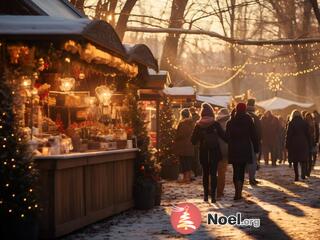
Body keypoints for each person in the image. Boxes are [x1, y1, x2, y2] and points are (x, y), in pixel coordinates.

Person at [191, 103, 226, 203]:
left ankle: (206, 195)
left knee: (205, 174)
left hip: (204, 153)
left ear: (202, 114)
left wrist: (201, 139)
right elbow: (224, 137)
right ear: (212, 113)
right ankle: (214, 196)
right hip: (214, 152)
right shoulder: (215, 124)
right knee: (214, 174)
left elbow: (193, 141)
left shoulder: (198, 125)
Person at [226, 103, 259, 200]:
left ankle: (237, 191)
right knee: (241, 171)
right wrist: (256, 148)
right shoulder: (248, 120)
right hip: (245, 148)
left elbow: (227, 137)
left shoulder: (231, 121)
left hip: (234, 149)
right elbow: (254, 135)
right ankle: (239, 191)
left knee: (236, 170)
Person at [285, 110, 311, 181]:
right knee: (303, 160)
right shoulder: (304, 123)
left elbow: (288, 135)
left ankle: (296, 176)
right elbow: (308, 134)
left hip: (294, 144)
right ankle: (303, 174)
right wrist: (309, 143)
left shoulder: (291, 123)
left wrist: (287, 144)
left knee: (295, 161)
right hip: (303, 142)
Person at [174, 108, 195, 183]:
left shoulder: (182, 123)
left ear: (182, 115)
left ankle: (186, 178)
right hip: (190, 145)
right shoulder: (192, 123)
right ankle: (188, 178)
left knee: (183, 162)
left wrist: (175, 137)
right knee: (188, 162)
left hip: (182, 146)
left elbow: (180, 135)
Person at [246, 99, 262, 185]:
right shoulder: (255, 118)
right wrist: (259, 140)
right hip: (252, 141)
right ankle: (251, 178)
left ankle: (240, 182)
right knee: (252, 161)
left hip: (242, 141)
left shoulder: (241, 115)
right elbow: (259, 131)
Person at [216, 108, 230, 199]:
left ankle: (211, 189)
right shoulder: (230, 124)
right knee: (222, 173)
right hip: (225, 151)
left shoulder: (214, 123)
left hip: (214, 151)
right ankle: (220, 192)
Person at [305, 112, 315, 177]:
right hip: (308, 142)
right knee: (308, 157)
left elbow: (315, 133)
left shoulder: (312, 123)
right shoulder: (305, 123)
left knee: (308, 157)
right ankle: (307, 171)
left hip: (309, 142)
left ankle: (308, 171)